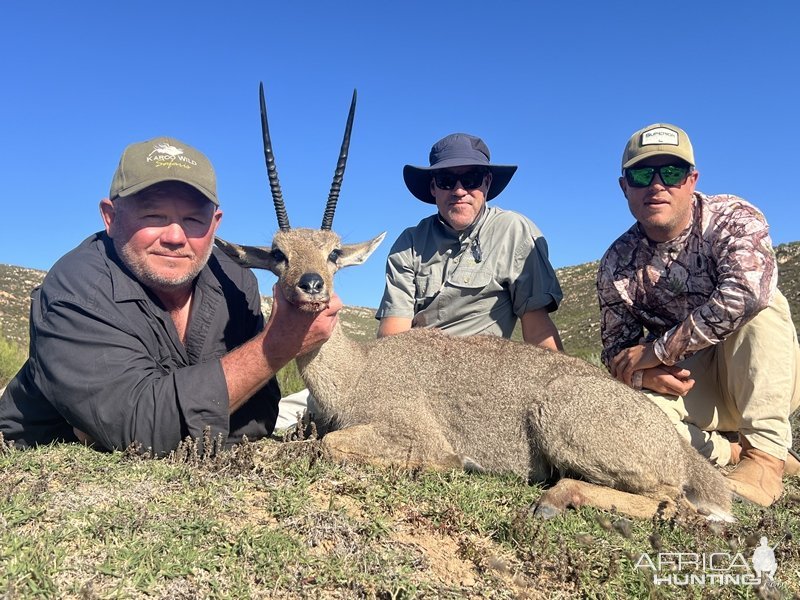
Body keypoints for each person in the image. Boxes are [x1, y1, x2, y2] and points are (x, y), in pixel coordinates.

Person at [0, 137, 340, 455]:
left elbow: (259, 414)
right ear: (110, 217)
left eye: (193, 219)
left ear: (215, 223)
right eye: (153, 216)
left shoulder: (235, 280)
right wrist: (278, 345)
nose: (176, 237)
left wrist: (170, 422)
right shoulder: (77, 288)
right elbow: (137, 431)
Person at [597, 122, 800, 507]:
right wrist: (644, 374)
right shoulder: (615, 263)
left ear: (691, 180)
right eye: (641, 174)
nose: (657, 184)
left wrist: (656, 353)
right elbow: (616, 352)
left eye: (671, 172)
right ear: (625, 187)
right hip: (691, 384)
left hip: (766, 376)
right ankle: (731, 453)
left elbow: (747, 293)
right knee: (629, 415)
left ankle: (766, 459)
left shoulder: (732, 217)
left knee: (765, 305)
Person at [376, 133, 563, 350]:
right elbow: (393, 336)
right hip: (418, 369)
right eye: (446, 180)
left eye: (471, 179)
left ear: (487, 183)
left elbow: (537, 328)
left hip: (485, 374)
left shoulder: (513, 230)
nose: (459, 191)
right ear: (433, 187)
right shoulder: (409, 243)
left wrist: (563, 380)